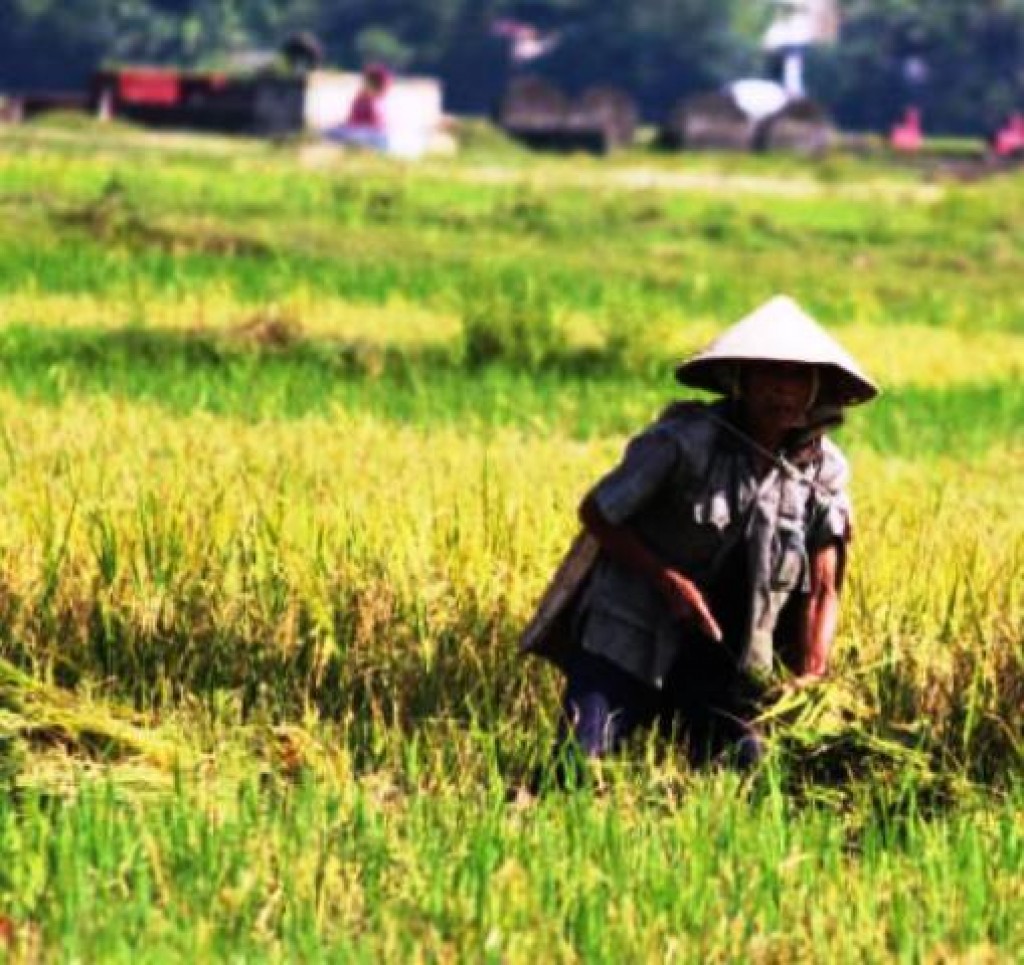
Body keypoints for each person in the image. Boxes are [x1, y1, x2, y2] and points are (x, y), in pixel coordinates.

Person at [521, 295, 879, 771]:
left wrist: (814, 672)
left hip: (727, 655)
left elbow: (825, 586)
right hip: (633, 630)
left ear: (818, 386)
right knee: (576, 765)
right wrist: (670, 582)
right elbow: (599, 511)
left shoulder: (824, 472)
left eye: (797, 376)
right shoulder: (684, 442)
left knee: (746, 773)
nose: (783, 391)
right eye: (769, 375)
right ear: (741, 381)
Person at [327, 64, 392, 152]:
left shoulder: (371, 99)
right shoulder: (365, 97)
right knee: (333, 131)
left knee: (339, 133)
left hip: (369, 133)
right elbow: (353, 119)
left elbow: (374, 122)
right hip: (364, 131)